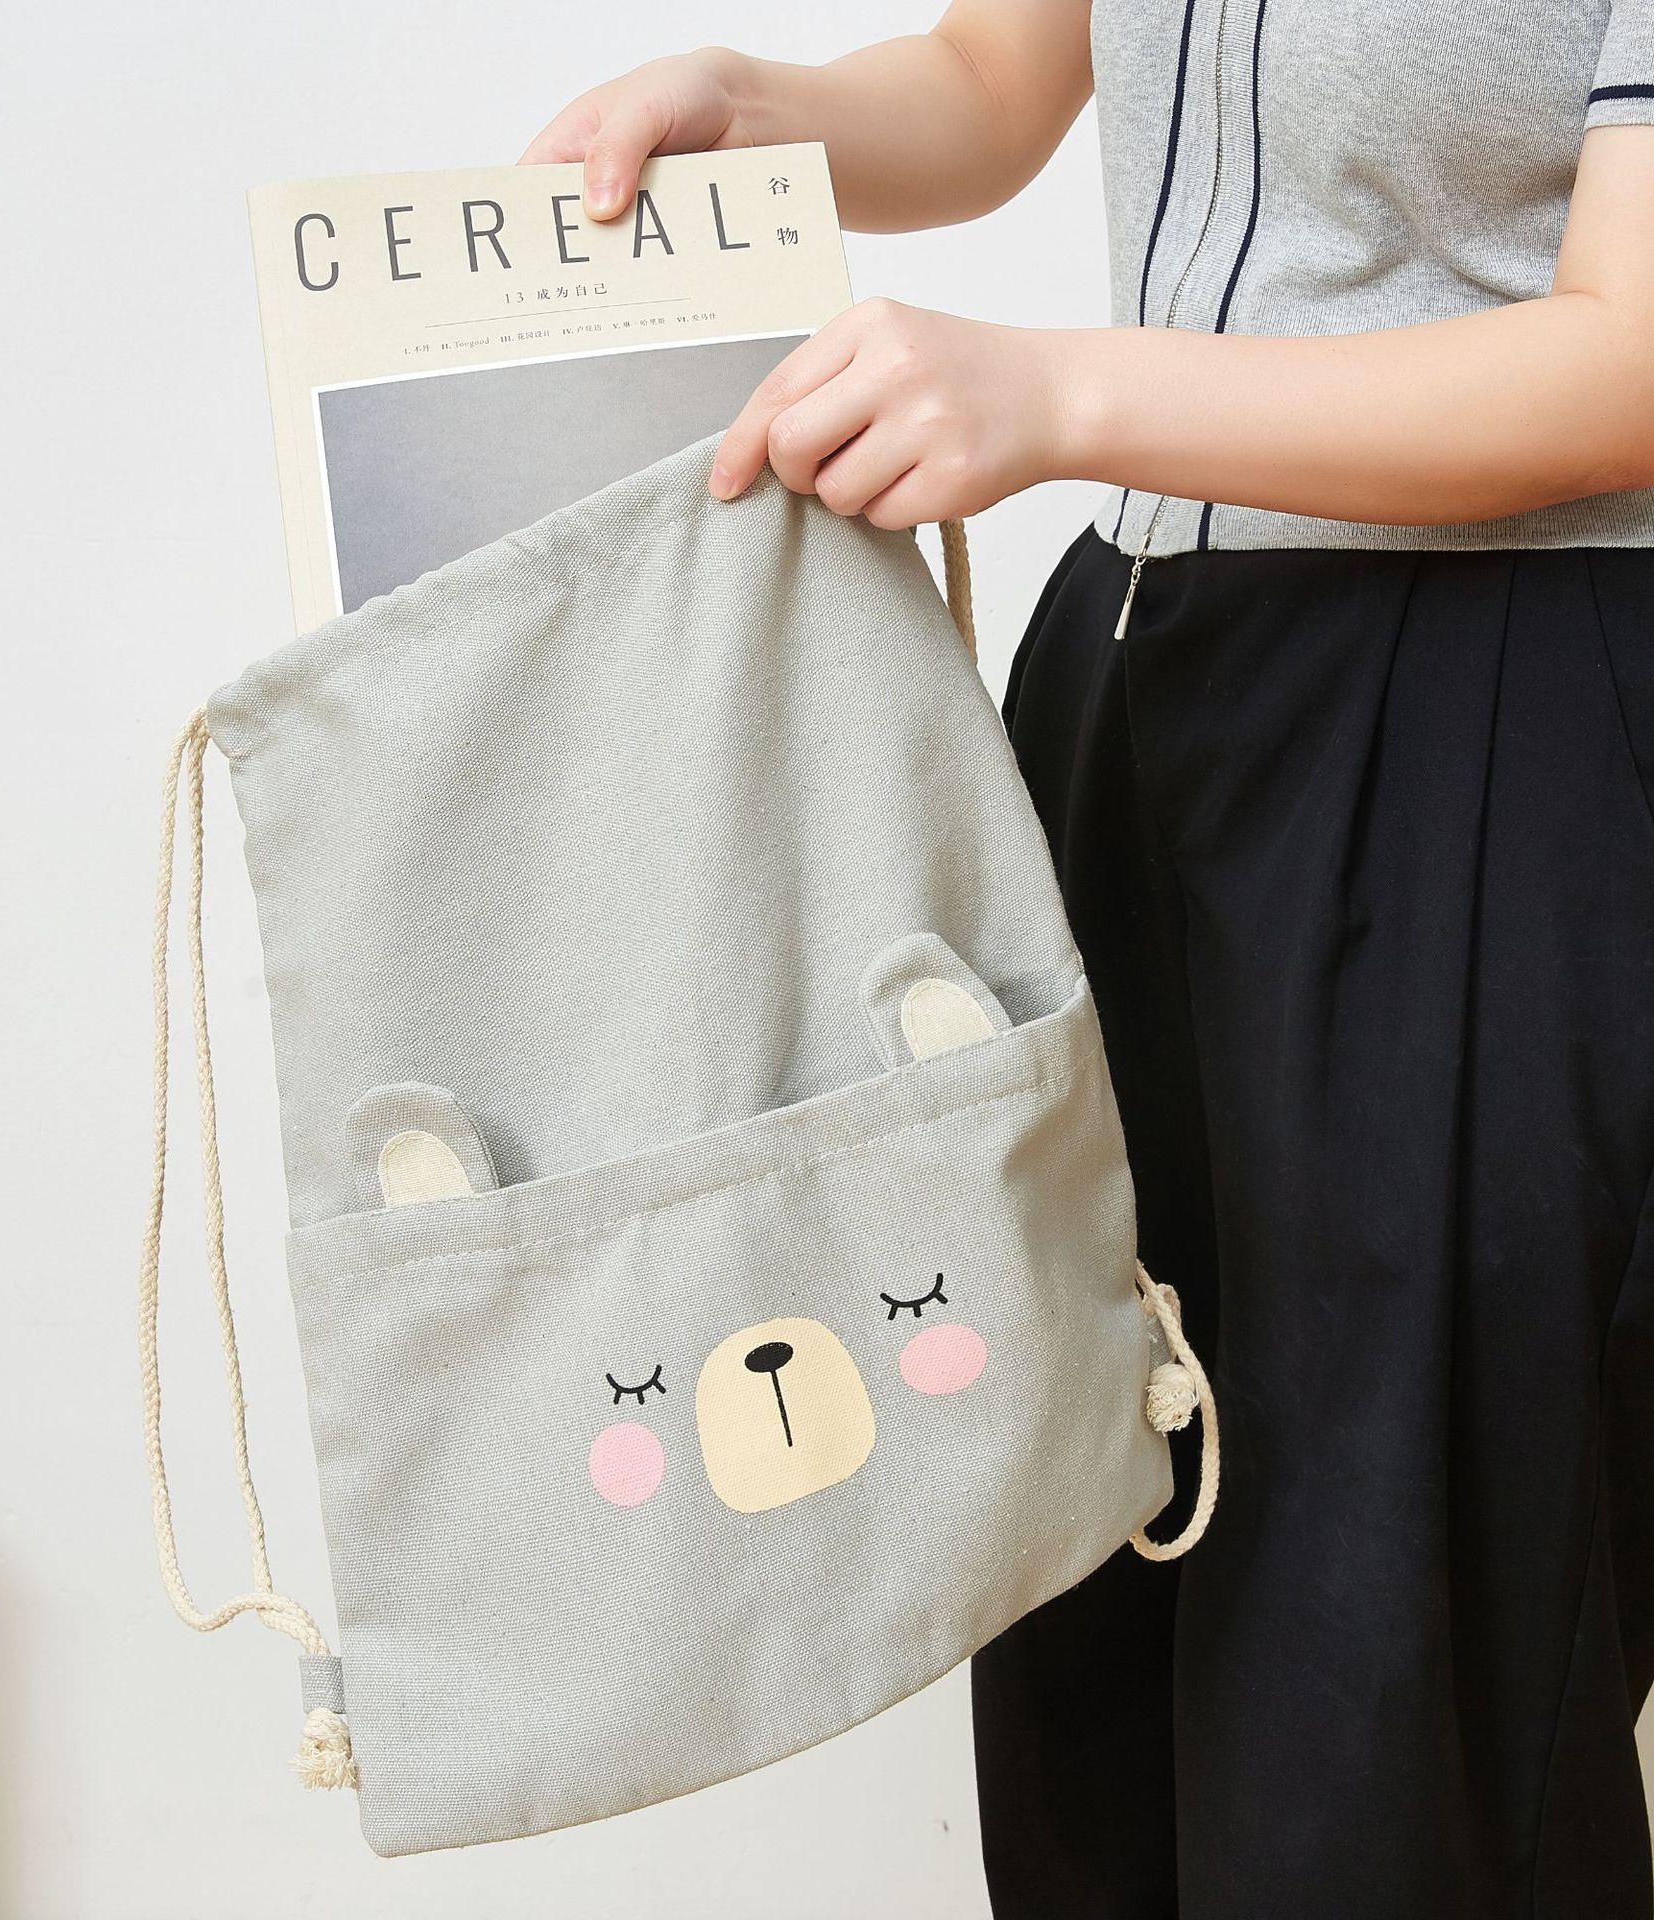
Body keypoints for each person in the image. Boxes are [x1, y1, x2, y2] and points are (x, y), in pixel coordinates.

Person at [523, 7, 1654, 1917]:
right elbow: (992, 82)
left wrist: (1058, 394)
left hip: (1493, 722)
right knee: (1085, 1602)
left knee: (1394, 1705)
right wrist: (759, 107)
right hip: (1134, 698)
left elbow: (1634, 357)